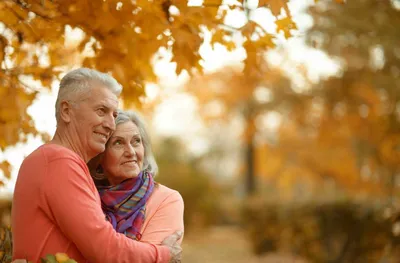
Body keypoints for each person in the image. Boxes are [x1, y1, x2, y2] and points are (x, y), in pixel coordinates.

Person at [11, 68, 182, 263]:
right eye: (102, 111)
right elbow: (105, 248)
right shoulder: (59, 162)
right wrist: (163, 254)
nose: (110, 124)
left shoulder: (57, 161)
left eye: (114, 114)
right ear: (67, 111)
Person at [88, 110, 184, 245]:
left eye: (136, 141)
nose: (131, 152)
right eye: (118, 143)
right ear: (99, 155)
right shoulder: (87, 197)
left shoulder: (167, 200)